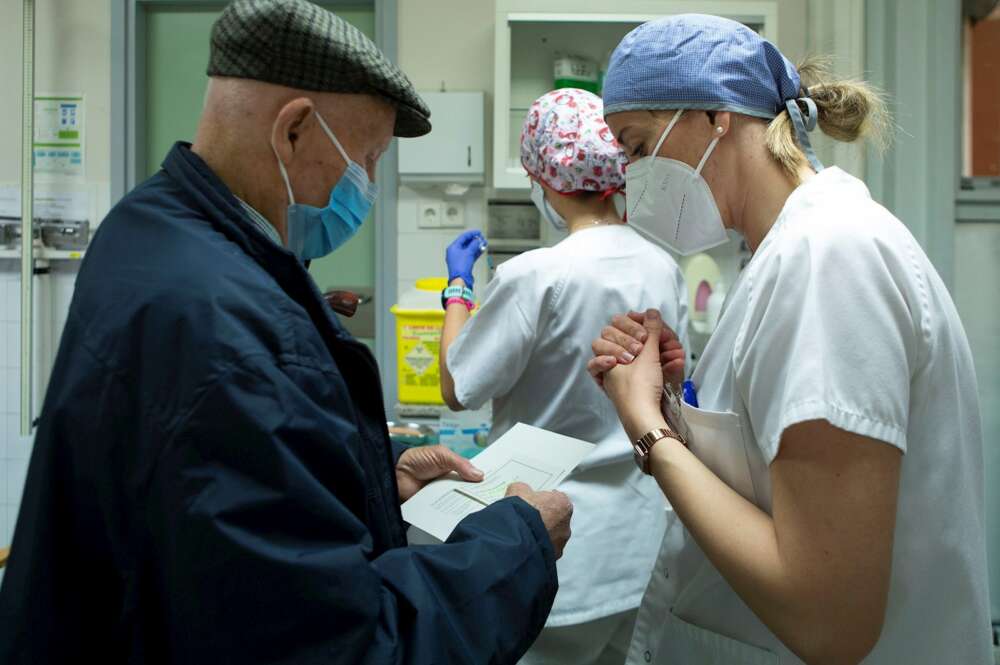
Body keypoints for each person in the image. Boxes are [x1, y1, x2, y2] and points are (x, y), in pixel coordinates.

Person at [0, 2, 573, 663]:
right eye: (368, 156)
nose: (370, 183)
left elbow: (208, 502)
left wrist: (367, 476)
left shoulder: (145, 226)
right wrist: (518, 542)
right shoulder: (234, 328)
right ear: (294, 131)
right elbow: (344, 644)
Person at [586, 14, 992, 665]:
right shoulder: (788, 254)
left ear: (715, 116)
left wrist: (648, 431)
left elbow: (829, 618)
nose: (633, 188)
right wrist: (674, 408)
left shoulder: (828, 257)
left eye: (636, 148)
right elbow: (780, 485)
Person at [439, 88, 690, 665]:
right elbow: (673, 391)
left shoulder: (536, 274)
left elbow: (457, 388)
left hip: (556, 545)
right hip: (642, 543)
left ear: (545, 178)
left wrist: (457, 289)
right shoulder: (662, 264)